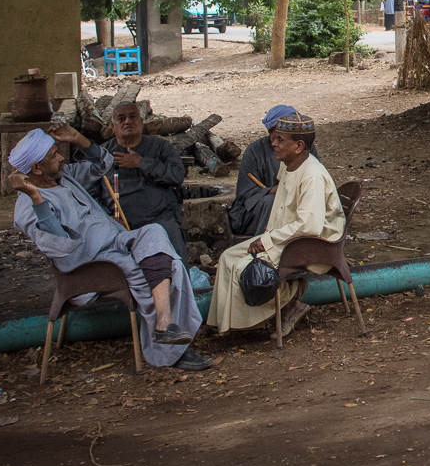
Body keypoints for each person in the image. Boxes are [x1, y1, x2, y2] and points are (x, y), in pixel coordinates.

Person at [8, 127, 212, 370]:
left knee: (156, 233)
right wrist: (35, 196)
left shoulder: (64, 176)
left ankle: (164, 322)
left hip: (115, 241)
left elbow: (101, 162)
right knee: (163, 267)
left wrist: (77, 138)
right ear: (36, 169)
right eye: (54, 155)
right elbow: (57, 243)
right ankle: (171, 351)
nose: (62, 157)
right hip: (89, 263)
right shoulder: (27, 206)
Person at [208, 112, 345, 339]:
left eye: (280, 140)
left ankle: (288, 300)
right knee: (228, 257)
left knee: (247, 267)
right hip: (290, 237)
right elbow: (283, 208)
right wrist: (268, 235)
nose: (273, 142)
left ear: (299, 146)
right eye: (275, 138)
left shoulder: (312, 175)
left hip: (312, 245)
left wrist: (269, 240)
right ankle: (230, 323)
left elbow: (309, 227)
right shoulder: (289, 164)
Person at [57, 104, 188, 259]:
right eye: (121, 119)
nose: (127, 121)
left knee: (174, 254)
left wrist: (142, 163)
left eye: (132, 117)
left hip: (160, 218)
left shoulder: (160, 146)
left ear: (140, 122)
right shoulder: (102, 154)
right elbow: (89, 193)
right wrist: (106, 216)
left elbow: (177, 176)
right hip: (118, 222)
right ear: (113, 127)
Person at [227, 104, 296, 237]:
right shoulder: (254, 152)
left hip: (293, 204)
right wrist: (274, 191)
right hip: (253, 213)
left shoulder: (302, 147)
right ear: (271, 132)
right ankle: (263, 248)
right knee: (271, 202)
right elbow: (246, 194)